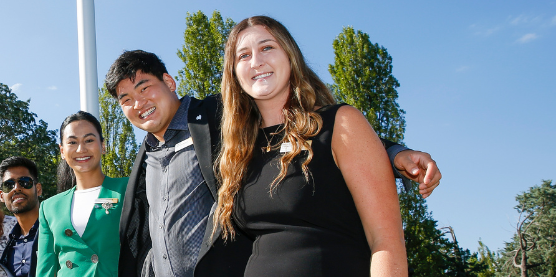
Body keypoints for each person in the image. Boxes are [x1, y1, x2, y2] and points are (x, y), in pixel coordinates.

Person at [104, 49, 442, 276]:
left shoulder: (219, 117)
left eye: (144, 86)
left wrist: (393, 152)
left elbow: (303, 127)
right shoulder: (144, 160)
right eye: (126, 100)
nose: (139, 103)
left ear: (168, 82)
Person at [215, 15, 407, 275]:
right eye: (243, 56)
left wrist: (398, 154)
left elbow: (386, 241)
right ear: (234, 73)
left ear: (290, 55)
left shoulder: (340, 123)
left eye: (267, 47)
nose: (256, 61)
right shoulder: (238, 151)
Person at [36, 111, 128, 276]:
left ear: (103, 145)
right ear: (62, 151)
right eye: (72, 142)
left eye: (89, 140)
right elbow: (45, 269)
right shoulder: (49, 207)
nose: (81, 149)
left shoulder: (128, 188)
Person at [0, 157, 43, 277]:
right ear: (2, 196)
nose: (16, 188)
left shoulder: (56, 231)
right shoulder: (6, 244)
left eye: (24, 182)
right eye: (9, 185)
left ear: (38, 189)